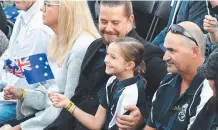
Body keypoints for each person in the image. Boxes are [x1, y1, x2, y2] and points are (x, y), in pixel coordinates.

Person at [45, 1, 167, 130]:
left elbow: (165, 100)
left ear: (130, 20)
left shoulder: (147, 55)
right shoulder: (95, 47)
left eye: (115, 23)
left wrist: (143, 116)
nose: (108, 28)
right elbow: (78, 96)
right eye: (103, 21)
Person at [2, 0, 100, 130]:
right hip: (40, 110)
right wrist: (23, 93)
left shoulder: (40, 31)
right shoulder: (24, 19)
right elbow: (47, 89)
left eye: (47, 4)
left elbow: (64, 105)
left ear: (66, 10)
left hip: (54, 118)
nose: (42, 8)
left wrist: (21, 126)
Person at [49, 37, 149, 130]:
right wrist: (68, 104)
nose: (106, 60)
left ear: (129, 65)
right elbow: (96, 123)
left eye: (113, 57)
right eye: (107, 54)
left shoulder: (129, 93)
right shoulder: (112, 81)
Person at [144, 21, 214, 130]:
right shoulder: (167, 81)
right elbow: (151, 126)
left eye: (172, 50)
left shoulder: (209, 91)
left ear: (194, 51)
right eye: (166, 49)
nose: (165, 57)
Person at [0, 0, 51, 125]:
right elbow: (8, 57)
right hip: (8, 91)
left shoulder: (39, 27)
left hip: (19, 103)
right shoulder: (24, 15)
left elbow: (31, 81)